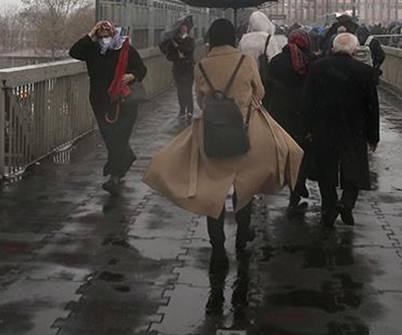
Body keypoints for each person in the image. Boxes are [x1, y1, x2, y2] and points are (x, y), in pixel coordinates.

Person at [143, 19, 302, 264]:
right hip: (245, 130)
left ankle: (217, 247)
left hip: (212, 132)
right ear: (233, 37)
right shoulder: (246, 61)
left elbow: (200, 100)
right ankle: (242, 236)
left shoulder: (202, 65)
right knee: (245, 186)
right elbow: (259, 92)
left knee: (212, 191)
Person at [301, 32, 380, 229]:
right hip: (354, 128)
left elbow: (307, 100)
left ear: (333, 48)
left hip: (323, 127)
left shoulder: (317, 68)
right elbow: (372, 106)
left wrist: (308, 127)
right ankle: (346, 202)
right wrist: (373, 136)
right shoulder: (365, 71)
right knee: (353, 166)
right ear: (355, 50)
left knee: (325, 170)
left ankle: (329, 208)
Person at [70, 20, 147, 193]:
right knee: (110, 137)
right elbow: (74, 52)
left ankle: (114, 177)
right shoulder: (92, 50)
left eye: (107, 29)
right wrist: (90, 34)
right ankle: (126, 159)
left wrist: (131, 76)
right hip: (101, 101)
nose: (104, 32)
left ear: (113, 31)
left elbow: (142, 68)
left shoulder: (124, 48)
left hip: (124, 101)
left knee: (119, 137)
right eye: (100, 29)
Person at [267, 31, 315, 215]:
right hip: (303, 112)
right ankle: (298, 185)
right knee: (302, 151)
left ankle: (291, 180)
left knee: (285, 150)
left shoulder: (277, 61)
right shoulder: (311, 61)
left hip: (280, 111)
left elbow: (268, 87)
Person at [160, 16, 196, 120]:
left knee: (188, 90)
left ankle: (190, 110)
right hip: (178, 68)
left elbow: (189, 50)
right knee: (180, 90)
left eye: (185, 26)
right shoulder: (173, 41)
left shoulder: (190, 40)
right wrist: (177, 56)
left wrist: (178, 47)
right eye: (181, 27)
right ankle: (182, 109)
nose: (183, 28)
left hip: (188, 68)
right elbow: (169, 56)